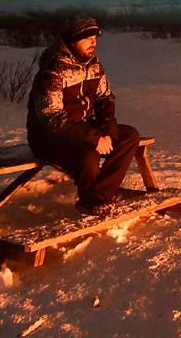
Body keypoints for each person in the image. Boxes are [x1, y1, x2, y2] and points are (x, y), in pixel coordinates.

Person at [26, 15, 141, 217]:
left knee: (129, 136)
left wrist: (107, 132)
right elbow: (52, 117)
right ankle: (94, 200)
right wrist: (94, 139)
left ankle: (99, 195)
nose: (93, 43)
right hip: (49, 137)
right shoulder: (53, 71)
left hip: (83, 128)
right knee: (88, 154)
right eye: (87, 38)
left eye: (95, 38)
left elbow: (105, 99)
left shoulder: (93, 65)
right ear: (72, 41)